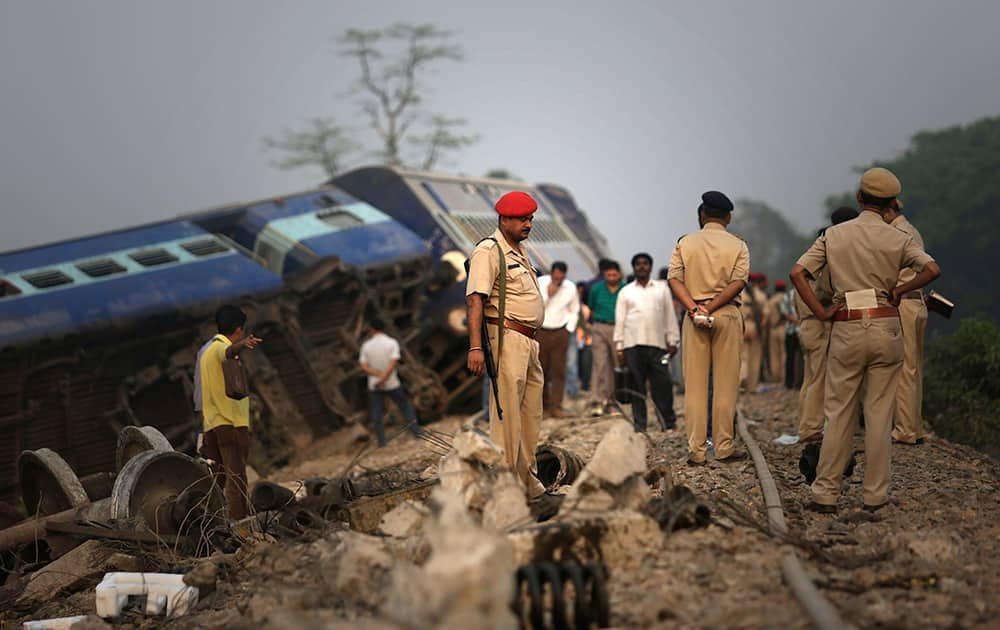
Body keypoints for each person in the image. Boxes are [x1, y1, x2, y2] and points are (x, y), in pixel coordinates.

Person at [791, 167, 940, 513]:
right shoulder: (899, 237)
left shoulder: (834, 235)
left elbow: (798, 272)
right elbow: (932, 269)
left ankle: (825, 493)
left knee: (839, 412)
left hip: (846, 324)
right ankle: (875, 495)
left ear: (859, 198)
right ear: (891, 204)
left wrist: (822, 311)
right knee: (879, 414)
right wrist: (899, 290)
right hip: (886, 323)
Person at [466, 190, 547, 499]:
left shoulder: (519, 250)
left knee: (530, 418)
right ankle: (505, 491)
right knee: (507, 420)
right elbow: (475, 300)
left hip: (529, 342)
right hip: (507, 339)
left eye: (530, 218)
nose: (528, 224)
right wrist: (475, 347)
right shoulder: (489, 250)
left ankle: (528, 484)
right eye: (522, 219)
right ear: (504, 219)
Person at [668, 191, 750, 465]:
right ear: (728, 217)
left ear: (702, 215)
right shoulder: (738, 245)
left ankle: (697, 451)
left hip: (694, 316)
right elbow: (738, 283)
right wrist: (713, 307)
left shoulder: (685, 243)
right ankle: (724, 447)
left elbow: (674, 280)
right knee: (725, 385)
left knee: (695, 386)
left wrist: (695, 308)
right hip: (726, 315)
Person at [795, 207, 857, 442]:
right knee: (819, 379)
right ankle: (811, 428)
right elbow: (825, 291)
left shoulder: (807, 263)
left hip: (809, 325)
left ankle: (808, 425)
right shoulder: (820, 263)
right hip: (818, 325)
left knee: (811, 379)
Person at [200, 305, 262, 521]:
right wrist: (242, 345)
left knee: (216, 480)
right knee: (237, 477)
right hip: (230, 423)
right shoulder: (220, 348)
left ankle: (210, 521)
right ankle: (239, 524)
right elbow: (228, 351)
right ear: (238, 330)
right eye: (242, 333)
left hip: (212, 425)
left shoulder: (205, 354)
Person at [614, 253, 680, 432]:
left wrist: (673, 340)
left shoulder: (662, 289)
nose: (641, 267)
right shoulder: (626, 291)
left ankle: (668, 423)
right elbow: (620, 320)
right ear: (634, 268)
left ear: (650, 267)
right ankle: (640, 426)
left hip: (657, 344)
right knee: (637, 387)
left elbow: (669, 316)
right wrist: (619, 347)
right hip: (632, 345)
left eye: (645, 264)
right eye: (638, 264)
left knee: (663, 385)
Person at [882, 202, 930, 446]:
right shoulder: (913, 230)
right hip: (917, 302)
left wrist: (898, 289)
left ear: (889, 211)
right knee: (914, 368)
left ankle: (905, 430)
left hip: (904, 303)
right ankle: (914, 426)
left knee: (904, 368)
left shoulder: (897, 233)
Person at [359, 319, 421, 447]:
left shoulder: (366, 346)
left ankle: (382, 442)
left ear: (372, 330)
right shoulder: (391, 343)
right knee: (405, 406)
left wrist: (378, 376)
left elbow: (364, 366)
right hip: (392, 383)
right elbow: (393, 363)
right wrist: (385, 376)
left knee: (377, 413)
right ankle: (416, 432)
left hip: (375, 385)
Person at [537, 262, 579, 417]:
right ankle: (543, 405)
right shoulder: (541, 283)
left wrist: (569, 329)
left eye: (562, 275)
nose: (559, 278)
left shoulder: (570, 287)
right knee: (541, 370)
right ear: (552, 273)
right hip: (541, 330)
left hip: (561, 331)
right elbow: (536, 306)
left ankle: (557, 406)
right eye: (556, 275)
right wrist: (549, 294)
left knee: (559, 370)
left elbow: (575, 309)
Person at [587, 260, 623, 416]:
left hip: (619, 328)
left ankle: (612, 401)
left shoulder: (625, 289)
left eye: (614, 274)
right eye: (608, 274)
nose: (611, 277)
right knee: (600, 364)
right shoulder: (596, 289)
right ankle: (597, 401)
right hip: (600, 327)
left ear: (619, 275)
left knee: (617, 365)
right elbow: (591, 308)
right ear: (604, 275)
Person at [740, 272, 770, 393]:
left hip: (742, 326)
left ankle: (740, 382)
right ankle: (751, 385)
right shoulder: (761, 295)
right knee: (755, 358)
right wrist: (759, 330)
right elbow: (766, 316)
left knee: (742, 357)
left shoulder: (738, 294)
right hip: (754, 327)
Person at [775, 280, 801, 389]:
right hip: (801, 330)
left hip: (790, 330)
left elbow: (785, 313)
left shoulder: (787, 296)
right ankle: (799, 382)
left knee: (789, 357)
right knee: (801, 358)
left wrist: (794, 320)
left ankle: (789, 382)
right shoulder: (806, 294)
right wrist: (800, 321)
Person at [767, 280, 787, 384]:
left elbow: (767, 316)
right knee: (784, 354)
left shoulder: (771, 300)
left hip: (773, 329)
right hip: (784, 328)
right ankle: (784, 377)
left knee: (774, 354)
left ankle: (775, 377)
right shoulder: (787, 298)